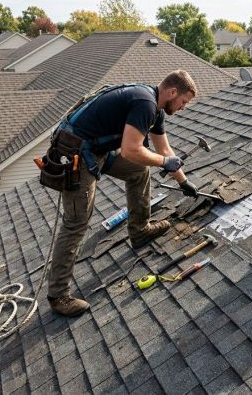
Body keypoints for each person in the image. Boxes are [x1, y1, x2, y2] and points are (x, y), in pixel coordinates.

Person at [47, 70, 199, 317]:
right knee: (76, 223)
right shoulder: (145, 104)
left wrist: (183, 181)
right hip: (77, 154)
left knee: (139, 170)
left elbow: (164, 149)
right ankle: (58, 295)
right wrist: (163, 163)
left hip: (97, 149)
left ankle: (139, 230)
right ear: (172, 93)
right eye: (183, 102)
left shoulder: (156, 109)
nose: (183, 107)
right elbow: (130, 150)